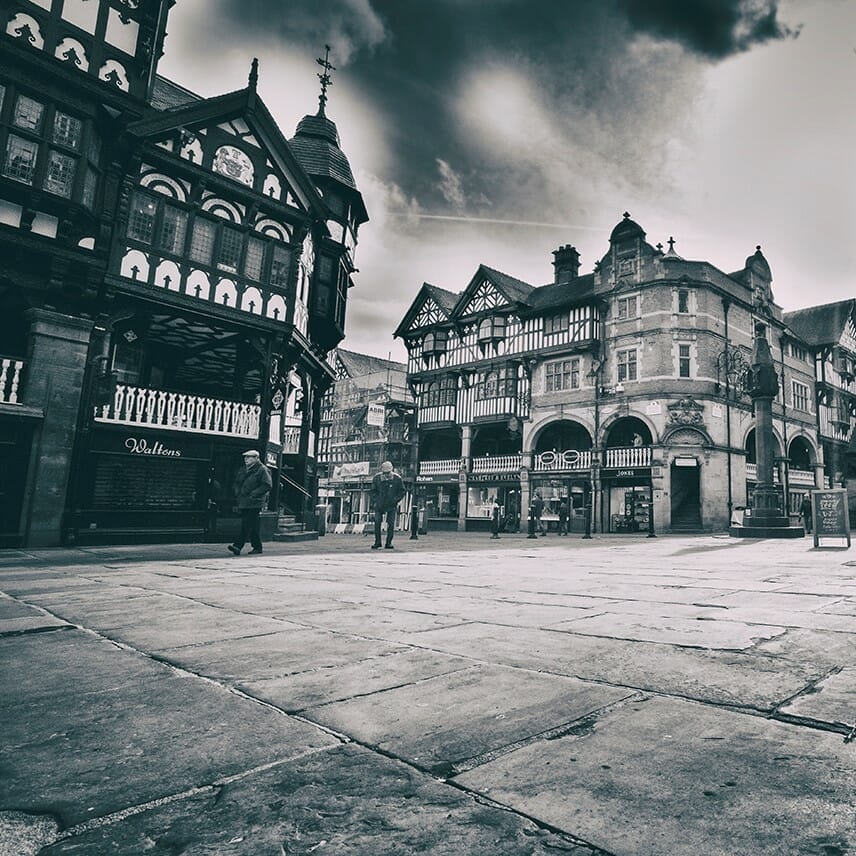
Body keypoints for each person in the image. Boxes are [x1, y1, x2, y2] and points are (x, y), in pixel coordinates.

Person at [228, 449, 272, 556]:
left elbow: (267, 485)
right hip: (244, 501)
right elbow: (237, 482)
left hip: (255, 502)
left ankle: (238, 546)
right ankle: (257, 547)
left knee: (246, 524)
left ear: (256, 458)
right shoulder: (243, 469)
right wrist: (237, 492)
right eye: (245, 457)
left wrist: (254, 494)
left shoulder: (262, 470)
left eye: (249, 457)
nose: (246, 459)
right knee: (252, 525)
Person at [371, 460, 405, 549]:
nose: (386, 475)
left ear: (391, 470)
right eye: (384, 473)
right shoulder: (377, 478)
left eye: (388, 473)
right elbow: (373, 491)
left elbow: (402, 491)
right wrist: (376, 500)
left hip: (391, 505)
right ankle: (377, 542)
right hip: (380, 505)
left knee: (391, 524)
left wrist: (395, 500)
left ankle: (388, 543)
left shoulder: (397, 479)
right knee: (377, 523)